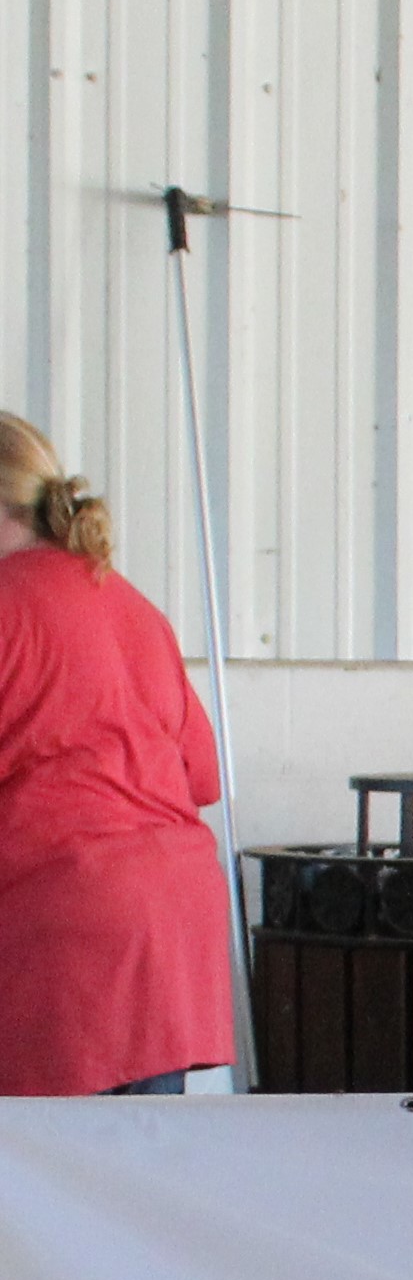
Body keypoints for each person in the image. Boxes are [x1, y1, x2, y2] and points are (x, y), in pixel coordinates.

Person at [0, 418, 232, 1096]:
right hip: (171, 939)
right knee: (125, 1185)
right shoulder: (129, 602)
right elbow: (203, 775)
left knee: (37, 1188)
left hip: (67, 938)